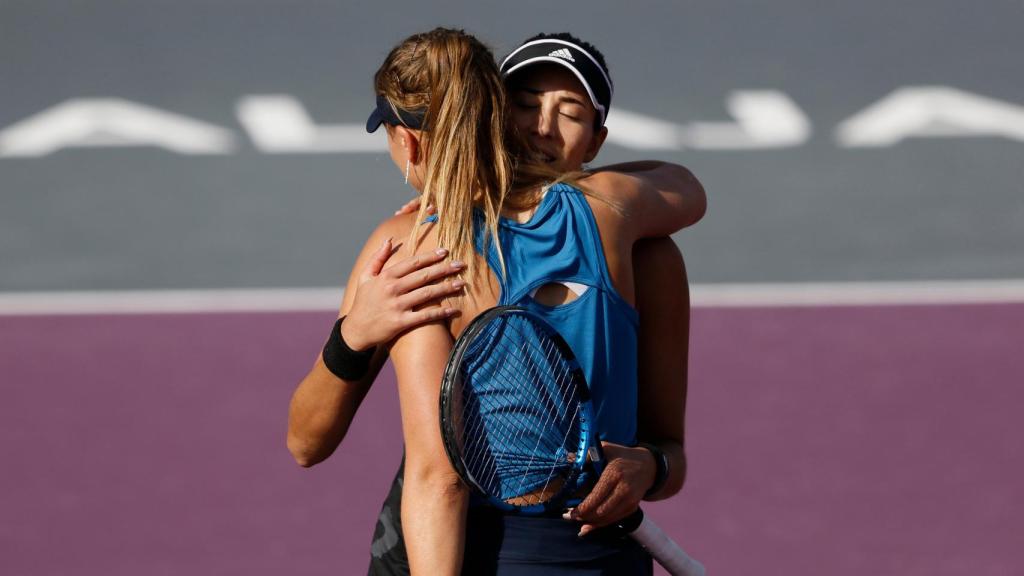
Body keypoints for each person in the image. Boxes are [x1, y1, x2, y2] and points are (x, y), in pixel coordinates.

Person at [286, 30, 704, 574]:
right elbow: (686, 186)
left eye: (569, 112)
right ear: (496, 117)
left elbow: (420, 474)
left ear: (406, 142)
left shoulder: (413, 251)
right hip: (609, 557)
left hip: (468, 551)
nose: (541, 125)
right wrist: (656, 465)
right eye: (526, 105)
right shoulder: (621, 217)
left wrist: (353, 336)